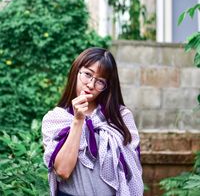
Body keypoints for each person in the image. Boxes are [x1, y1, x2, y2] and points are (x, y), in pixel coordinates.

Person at [42, 47, 143, 196]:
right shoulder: (55, 119)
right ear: (76, 72)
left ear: (107, 87)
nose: (91, 84)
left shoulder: (121, 117)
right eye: (87, 74)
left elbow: (132, 169)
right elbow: (63, 171)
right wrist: (78, 120)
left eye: (100, 81)